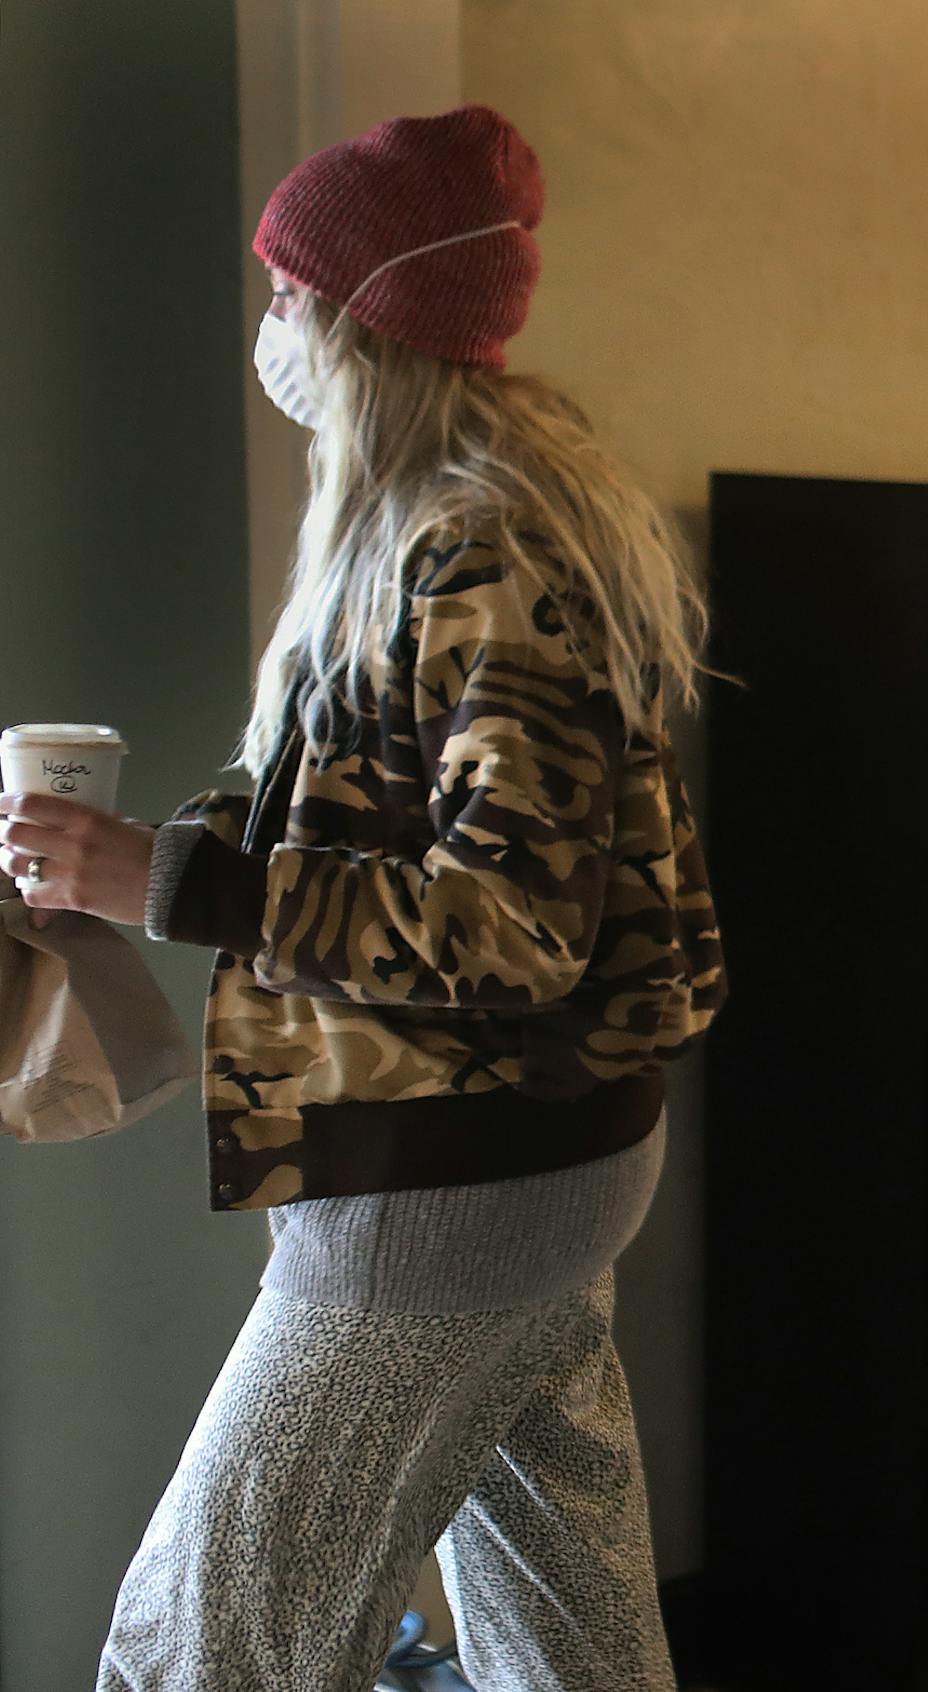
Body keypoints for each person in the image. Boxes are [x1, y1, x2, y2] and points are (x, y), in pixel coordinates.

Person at [0, 105, 724, 1690]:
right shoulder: (409, 527)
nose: (270, 326)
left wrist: (170, 881)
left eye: (286, 295)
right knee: (567, 1638)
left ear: (362, 314)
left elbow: (511, 927)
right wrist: (139, 860)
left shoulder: (483, 548)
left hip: (452, 1181)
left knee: (202, 1648)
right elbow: (328, 802)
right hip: (527, 1156)